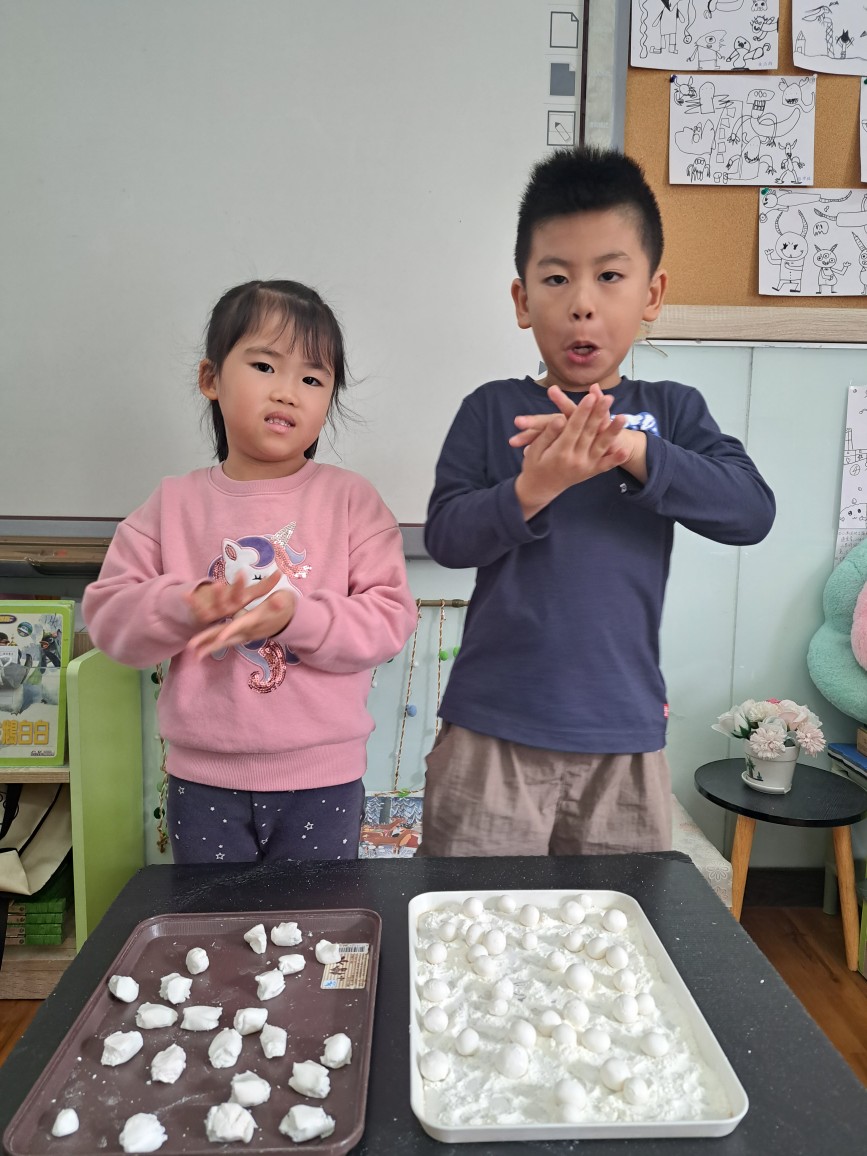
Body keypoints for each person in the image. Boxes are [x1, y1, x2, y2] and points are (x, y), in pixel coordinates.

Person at [419, 147, 775, 858]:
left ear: (651, 294)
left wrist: (632, 449)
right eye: (556, 277)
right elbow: (447, 538)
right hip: (491, 731)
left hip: (623, 733)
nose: (582, 302)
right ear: (522, 300)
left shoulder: (670, 412)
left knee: (620, 919)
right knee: (476, 916)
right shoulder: (490, 410)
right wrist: (535, 486)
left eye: (609, 276)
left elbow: (749, 511)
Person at [84, 280, 417, 864]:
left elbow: (389, 620)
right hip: (203, 781)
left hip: (324, 779)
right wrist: (185, 605)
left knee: (318, 919)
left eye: (312, 379)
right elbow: (110, 621)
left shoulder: (352, 501)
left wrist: (295, 617)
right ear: (211, 379)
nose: (288, 392)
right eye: (265, 366)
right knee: (214, 920)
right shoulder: (171, 505)